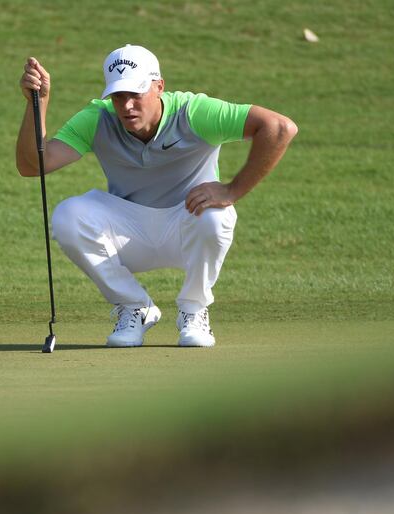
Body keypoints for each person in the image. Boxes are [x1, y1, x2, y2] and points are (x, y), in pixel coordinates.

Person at [16, 45, 297, 348]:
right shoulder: (98, 118)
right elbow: (33, 165)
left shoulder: (194, 112)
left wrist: (231, 190)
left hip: (187, 224)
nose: (126, 106)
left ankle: (194, 310)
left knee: (217, 214)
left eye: (136, 94)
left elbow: (280, 127)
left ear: (159, 86)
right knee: (68, 216)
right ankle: (135, 307)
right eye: (119, 96)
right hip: (129, 234)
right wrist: (39, 103)